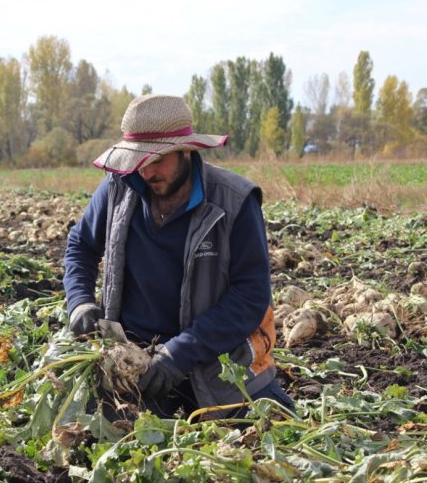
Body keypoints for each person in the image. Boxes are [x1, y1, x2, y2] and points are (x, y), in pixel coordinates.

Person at [63, 94, 294, 420]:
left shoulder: (235, 202)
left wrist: (180, 353)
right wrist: (80, 302)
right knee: (104, 440)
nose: (146, 171)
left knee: (277, 431)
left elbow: (251, 295)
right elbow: (80, 245)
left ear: (186, 149)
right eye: (138, 160)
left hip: (217, 359)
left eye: (157, 160)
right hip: (137, 361)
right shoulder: (118, 188)